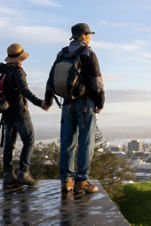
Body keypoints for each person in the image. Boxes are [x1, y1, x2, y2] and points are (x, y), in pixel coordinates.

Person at [44, 23, 105, 194]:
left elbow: (51, 79)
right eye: (89, 34)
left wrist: (48, 100)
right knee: (85, 142)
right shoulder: (88, 53)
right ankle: (81, 181)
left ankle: (66, 181)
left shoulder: (62, 53)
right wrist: (100, 103)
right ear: (84, 35)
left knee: (67, 142)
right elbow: (97, 83)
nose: (90, 37)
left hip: (66, 103)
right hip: (86, 104)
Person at [0, 43, 49, 189]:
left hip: (6, 113)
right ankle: (23, 173)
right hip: (20, 112)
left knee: (9, 145)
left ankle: (8, 176)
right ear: (21, 58)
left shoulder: (4, 71)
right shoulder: (18, 72)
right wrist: (41, 103)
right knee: (29, 140)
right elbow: (24, 91)